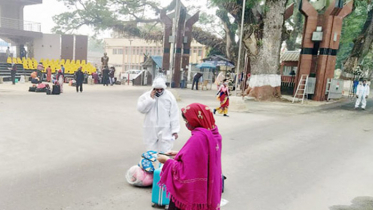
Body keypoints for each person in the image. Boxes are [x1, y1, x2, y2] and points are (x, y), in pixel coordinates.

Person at [157, 103, 222, 210]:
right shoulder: (215, 134)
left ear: (197, 119)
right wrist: (179, 153)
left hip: (193, 196)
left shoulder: (199, 137)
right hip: (208, 190)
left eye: (188, 121)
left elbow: (185, 170)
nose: (187, 124)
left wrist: (167, 161)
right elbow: (203, 157)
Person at [137, 77, 180, 152]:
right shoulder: (146, 96)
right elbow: (141, 109)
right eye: (157, 89)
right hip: (150, 126)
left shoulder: (169, 96)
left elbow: (174, 113)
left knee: (165, 151)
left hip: (165, 128)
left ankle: (164, 164)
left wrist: (175, 130)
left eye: (161, 89)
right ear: (154, 88)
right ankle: (153, 163)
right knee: (151, 151)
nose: (159, 91)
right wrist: (150, 99)